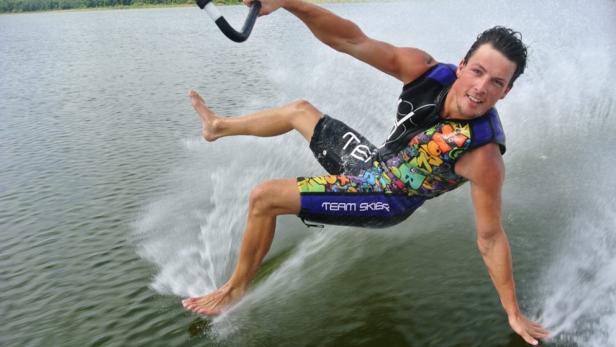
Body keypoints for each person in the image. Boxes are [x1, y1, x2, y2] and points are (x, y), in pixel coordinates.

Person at [182, 0, 549, 344]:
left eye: (497, 83)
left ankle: (233, 291)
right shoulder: (424, 72)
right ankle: (218, 127)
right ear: (461, 66)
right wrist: (288, 2)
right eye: (478, 72)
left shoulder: (482, 155)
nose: (481, 88)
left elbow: (490, 238)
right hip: (372, 166)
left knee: (265, 197)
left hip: (385, 201)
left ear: (506, 93)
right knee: (299, 110)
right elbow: (349, 39)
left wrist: (512, 312)